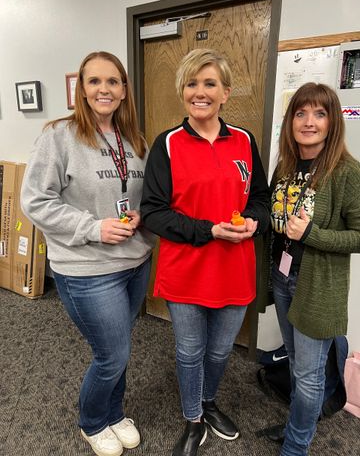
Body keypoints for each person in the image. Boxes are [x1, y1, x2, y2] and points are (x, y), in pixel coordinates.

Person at [21, 51, 155, 456]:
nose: (104, 89)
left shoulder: (133, 139)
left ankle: (114, 413)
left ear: (124, 90)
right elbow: (35, 201)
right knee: (111, 354)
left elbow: (143, 194)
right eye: (94, 81)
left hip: (135, 261)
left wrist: (141, 212)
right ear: (81, 88)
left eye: (113, 81)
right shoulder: (58, 135)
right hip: (87, 269)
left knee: (122, 347)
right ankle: (93, 421)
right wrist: (93, 228)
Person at [140, 48, 270, 456]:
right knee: (189, 351)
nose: (200, 92)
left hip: (234, 268)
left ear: (225, 92)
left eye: (209, 83)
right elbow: (153, 214)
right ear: (183, 92)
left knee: (218, 351)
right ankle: (192, 419)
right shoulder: (168, 144)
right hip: (186, 271)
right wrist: (208, 230)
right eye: (192, 84)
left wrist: (254, 222)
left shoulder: (245, 141)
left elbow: (262, 200)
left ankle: (208, 402)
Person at [258, 82, 360, 455]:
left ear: (332, 121)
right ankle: (294, 428)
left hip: (317, 287)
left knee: (309, 375)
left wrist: (314, 234)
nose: (309, 121)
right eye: (301, 113)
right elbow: (272, 216)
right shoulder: (285, 166)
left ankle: (296, 446)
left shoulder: (347, 172)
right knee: (297, 362)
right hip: (283, 278)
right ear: (291, 121)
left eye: (319, 113)